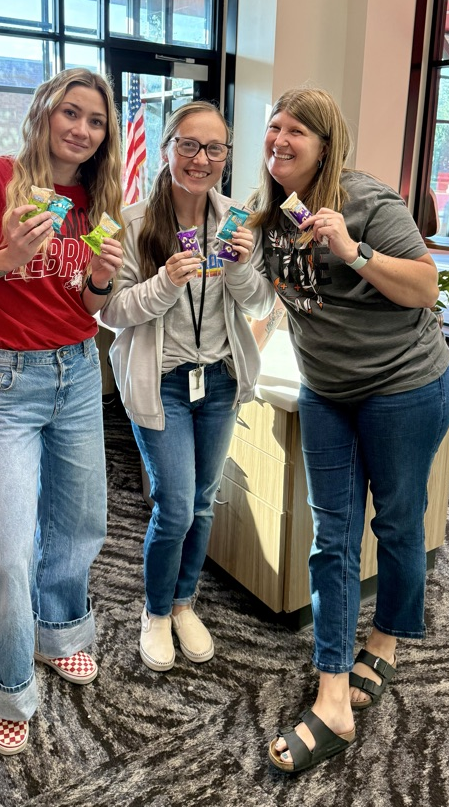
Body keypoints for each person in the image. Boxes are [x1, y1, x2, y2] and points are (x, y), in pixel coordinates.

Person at [249, 87, 449, 774]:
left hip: (405, 388)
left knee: (397, 523)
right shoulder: (272, 218)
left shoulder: (367, 202)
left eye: (295, 130)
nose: (279, 139)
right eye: (273, 127)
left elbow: (426, 286)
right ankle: (333, 691)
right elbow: (288, 304)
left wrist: (354, 249)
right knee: (330, 534)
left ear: (326, 142)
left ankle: (389, 639)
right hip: (328, 394)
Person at [0, 68, 124, 756]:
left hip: (76, 372)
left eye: (95, 121)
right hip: (6, 381)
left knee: (79, 524)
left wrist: (102, 275)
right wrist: (8, 255)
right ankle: (9, 685)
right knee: (9, 553)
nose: (81, 129)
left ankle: (61, 632)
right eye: (69, 113)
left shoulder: (96, 198)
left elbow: (93, 305)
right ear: (44, 113)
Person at [100, 101, 275, 672]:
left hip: (218, 381)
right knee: (174, 506)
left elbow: (260, 304)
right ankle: (154, 611)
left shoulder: (235, 221)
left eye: (215, 149)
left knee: (202, 503)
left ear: (227, 157)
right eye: (189, 145)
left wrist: (246, 270)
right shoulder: (131, 222)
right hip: (164, 382)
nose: (201, 159)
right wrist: (162, 284)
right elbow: (109, 312)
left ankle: (183, 603)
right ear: (168, 147)